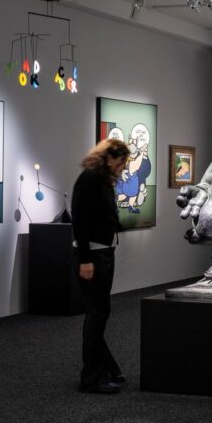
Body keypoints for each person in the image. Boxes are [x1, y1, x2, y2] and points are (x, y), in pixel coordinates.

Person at [71, 138, 129, 394]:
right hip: (93, 256)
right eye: (121, 161)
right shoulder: (89, 179)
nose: (123, 166)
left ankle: (107, 369)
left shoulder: (103, 180)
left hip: (102, 252)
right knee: (97, 314)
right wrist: (85, 259)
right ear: (108, 157)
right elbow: (79, 220)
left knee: (99, 313)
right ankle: (91, 378)